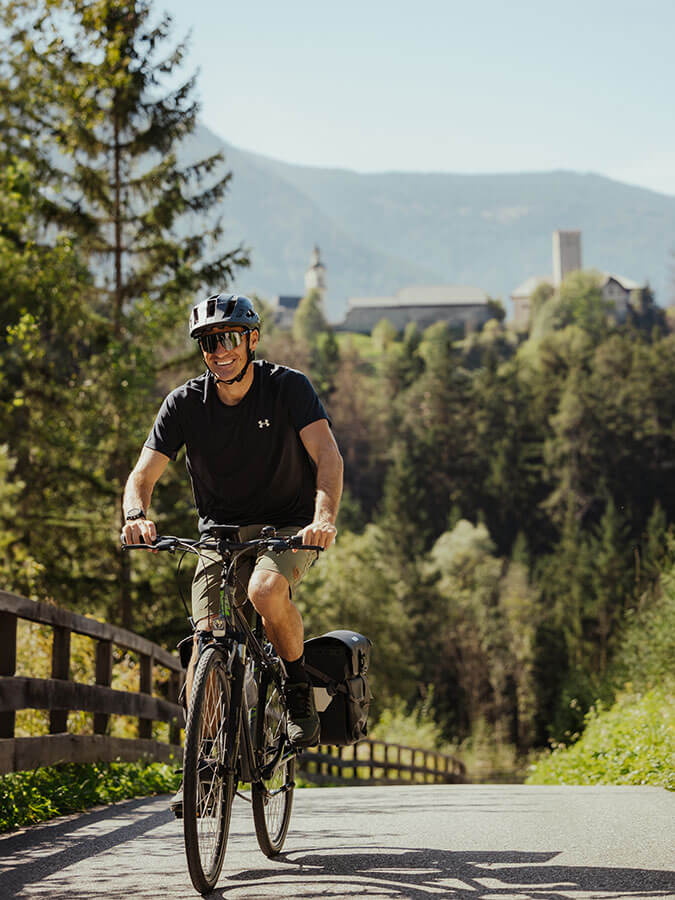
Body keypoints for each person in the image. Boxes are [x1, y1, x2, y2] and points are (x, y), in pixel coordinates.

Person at [121, 292, 343, 762]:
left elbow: (327, 456)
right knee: (207, 639)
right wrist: (136, 515)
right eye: (208, 342)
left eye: (228, 339)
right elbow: (142, 475)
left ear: (252, 339)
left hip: (288, 526)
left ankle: (298, 689)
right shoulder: (184, 404)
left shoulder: (288, 388)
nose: (219, 350)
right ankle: (204, 758)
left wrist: (323, 519)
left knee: (265, 592)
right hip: (219, 535)